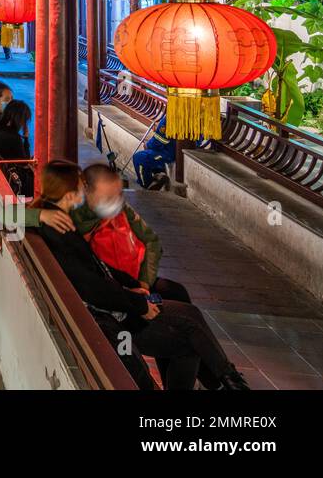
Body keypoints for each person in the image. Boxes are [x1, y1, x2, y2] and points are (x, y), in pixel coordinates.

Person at [32, 160, 249, 390]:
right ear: (68, 194)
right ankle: (227, 382)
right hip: (109, 318)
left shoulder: (58, 219)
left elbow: (113, 261)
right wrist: (138, 304)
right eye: (81, 185)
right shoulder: (59, 225)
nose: (85, 190)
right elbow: (92, 286)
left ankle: (227, 379)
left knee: (189, 311)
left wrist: (138, 286)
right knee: (188, 336)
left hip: (115, 300)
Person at [77, 162, 219, 389]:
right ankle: (217, 379)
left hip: (133, 281)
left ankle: (217, 376)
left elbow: (152, 243)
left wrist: (144, 281)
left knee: (178, 295)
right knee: (185, 334)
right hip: (116, 299)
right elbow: (101, 278)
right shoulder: (78, 221)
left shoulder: (122, 212)